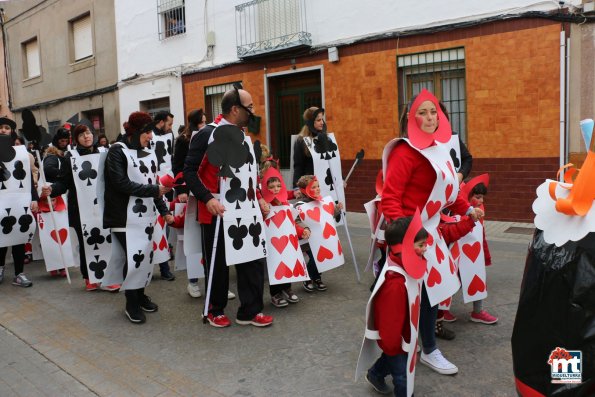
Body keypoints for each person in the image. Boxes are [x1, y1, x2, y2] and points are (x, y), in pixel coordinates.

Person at [382, 89, 483, 375]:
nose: (429, 117)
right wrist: (406, 237)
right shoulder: (405, 152)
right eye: (422, 112)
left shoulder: (441, 148)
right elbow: (390, 198)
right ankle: (418, 351)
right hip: (410, 236)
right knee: (414, 298)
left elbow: (450, 190)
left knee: (432, 294)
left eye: (433, 112)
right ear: (410, 119)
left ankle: (423, 350)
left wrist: (467, 211)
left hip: (431, 233)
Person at [183, 86, 272, 328]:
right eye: (249, 107)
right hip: (217, 209)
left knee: (252, 258)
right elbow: (189, 172)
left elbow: (250, 173)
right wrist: (207, 198)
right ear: (235, 109)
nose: (253, 111)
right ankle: (215, 309)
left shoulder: (245, 135)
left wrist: (260, 196)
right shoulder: (207, 134)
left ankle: (250, 311)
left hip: (246, 206)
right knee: (218, 263)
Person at [103, 111, 174, 324]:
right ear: (136, 132)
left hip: (145, 217)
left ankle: (140, 295)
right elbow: (120, 183)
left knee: (144, 258)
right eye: (147, 132)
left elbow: (154, 186)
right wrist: (154, 190)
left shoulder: (146, 153)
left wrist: (165, 212)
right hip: (123, 217)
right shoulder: (117, 152)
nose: (151, 137)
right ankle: (131, 302)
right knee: (133, 259)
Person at [44, 124, 119, 292]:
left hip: (103, 206)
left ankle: (107, 277)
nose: (87, 136)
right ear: (76, 138)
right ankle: (89, 278)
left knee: (106, 240)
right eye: (82, 134)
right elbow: (63, 183)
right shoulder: (70, 156)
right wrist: (52, 189)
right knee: (87, 242)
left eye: (89, 133)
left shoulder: (104, 153)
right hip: (80, 208)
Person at [365, 217, 428, 396]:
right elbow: (389, 319)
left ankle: (375, 373)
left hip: (404, 335)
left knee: (393, 361)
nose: (426, 248)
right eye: (421, 245)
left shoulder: (405, 267)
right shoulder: (395, 283)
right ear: (405, 247)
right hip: (395, 339)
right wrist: (392, 347)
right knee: (402, 377)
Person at [0, 116, 40, 287]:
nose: (3, 130)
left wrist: (34, 198)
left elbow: (29, 179)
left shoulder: (21, 153)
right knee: (1, 236)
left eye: (6, 128)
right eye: (0, 127)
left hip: (18, 201)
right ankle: (0, 268)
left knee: (18, 236)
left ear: (12, 132)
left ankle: (19, 273)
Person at [262, 168, 310, 308]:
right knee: (276, 265)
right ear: (265, 188)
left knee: (288, 262)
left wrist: (302, 231)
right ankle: (275, 294)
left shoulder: (286, 205)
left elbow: (291, 223)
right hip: (273, 244)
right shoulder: (264, 207)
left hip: (287, 243)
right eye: (271, 187)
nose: (276, 189)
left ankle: (286, 288)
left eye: (278, 186)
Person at [295, 175, 343, 292]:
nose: (317, 189)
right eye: (314, 187)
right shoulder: (299, 205)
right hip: (309, 239)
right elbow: (296, 221)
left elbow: (328, 215)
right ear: (304, 190)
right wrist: (304, 229)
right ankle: (308, 278)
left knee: (320, 258)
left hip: (322, 238)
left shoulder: (322, 202)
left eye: (318, 186)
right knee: (314, 259)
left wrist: (336, 209)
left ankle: (316, 277)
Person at [152, 111, 176, 281]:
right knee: (154, 228)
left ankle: (164, 264)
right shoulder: (148, 136)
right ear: (161, 122)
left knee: (165, 226)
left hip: (167, 187)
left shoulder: (169, 136)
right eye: (169, 123)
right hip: (151, 188)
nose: (171, 127)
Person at [292, 107, 324, 187]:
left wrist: (340, 178)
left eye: (322, 119)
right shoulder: (301, 141)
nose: (322, 122)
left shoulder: (326, 139)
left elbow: (332, 162)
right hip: (310, 186)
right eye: (318, 120)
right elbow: (298, 166)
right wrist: (296, 187)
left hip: (326, 185)